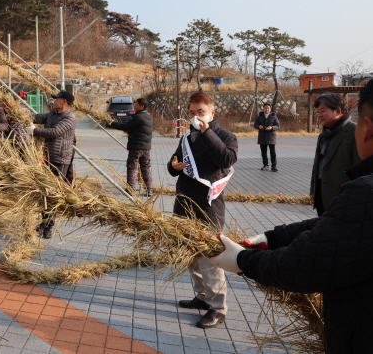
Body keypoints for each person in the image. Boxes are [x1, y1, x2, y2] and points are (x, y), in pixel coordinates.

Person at [208, 80, 373, 353]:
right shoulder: (359, 198)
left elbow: (301, 266)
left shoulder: (364, 192)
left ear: (367, 128)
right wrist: (272, 237)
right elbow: (341, 226)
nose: (319, 114)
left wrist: (241, 260)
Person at [167, 91, 238, 329]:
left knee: (210, 260)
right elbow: (173, 164)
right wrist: (173, 166)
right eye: (192, 113)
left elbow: (227, 159)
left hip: (208, 209)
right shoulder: (188, 138)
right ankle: (201, 296)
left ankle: (218, 308)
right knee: (192, 258)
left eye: (201, 112)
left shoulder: (226, 136)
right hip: (184, 204)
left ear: (212, 112)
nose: (196, 116)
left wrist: (207, 131)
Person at [28, 90, 76, 239]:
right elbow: (38, 117)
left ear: (65, 102)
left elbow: (54, 132)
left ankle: (48, 226)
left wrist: (34, 131)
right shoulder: (52, 114)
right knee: (45, 191)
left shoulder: (70, 118)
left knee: (52, 193)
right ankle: (44, 222)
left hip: (60, 159)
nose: (53, 101)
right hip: (48, 157)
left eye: (57, 99)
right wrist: (23, 116)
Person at [310, 94, 360, 216]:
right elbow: (317, 164)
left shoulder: (354, 131)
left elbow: (360, 170)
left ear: (338, 111)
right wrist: (313, 190)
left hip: (344, 198)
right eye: (318, 111)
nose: (319, 115)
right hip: (321, 195)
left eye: (323, 111)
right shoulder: (324, 134)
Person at [108, 98, 154, 196]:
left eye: (136, 104)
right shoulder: (149, 116)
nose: (134, 106)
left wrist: (112, 123)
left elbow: (126, 126)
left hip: (136, 147)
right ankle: (150, 189)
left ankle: (131, 189)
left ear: (142, 106)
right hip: (146, 148)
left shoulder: (138, 117)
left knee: (132, 167)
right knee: (145, 168)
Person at [255, 103, 280, 172]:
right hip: (262, 137)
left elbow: (278, 125)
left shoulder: (274, 117)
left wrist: (272, 127)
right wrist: (259, 127)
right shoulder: (259, 117)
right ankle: (265, 165)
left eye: (268, 108)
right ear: (263, 109)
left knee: (273, 152)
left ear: (270, 109)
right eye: (265, 108)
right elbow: (255, 125)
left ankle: (274, 166)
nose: (267, 109)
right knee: (264, 153)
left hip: (271, 137)